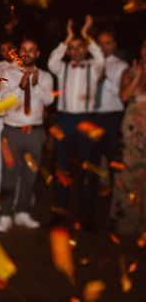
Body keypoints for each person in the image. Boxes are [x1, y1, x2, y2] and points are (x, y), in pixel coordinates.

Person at [48, 16, 104, 229]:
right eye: (73, 48)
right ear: (69, 51)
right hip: (65, 119)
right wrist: (68, 37)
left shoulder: (94, 66)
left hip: (87, 120)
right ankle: (60, 213)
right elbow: (52, 61)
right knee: (61, 166)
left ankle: (87, 215)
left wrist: (87, 34)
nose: (77, 50)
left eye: (81, 47)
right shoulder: (62, 67)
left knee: (88, 167)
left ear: (86, 49)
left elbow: (99, 56)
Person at [0, 39, 54, 233]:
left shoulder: (45, 76)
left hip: (35, 133)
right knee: (9, 174)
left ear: (37, 54)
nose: (27, 53)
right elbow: (3, 100)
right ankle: (5, 214)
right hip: (11, 132)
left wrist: (35, 85)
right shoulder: (7, 73)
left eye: (31, 50)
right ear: (19, 52)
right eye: (24, 49)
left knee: (30, 175)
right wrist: (20, 86)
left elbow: (49, 99)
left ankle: (22, 212)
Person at [110, 38, 146, 236]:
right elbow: (123, 97)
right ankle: (126, 224)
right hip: (132, 132)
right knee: (128, 175)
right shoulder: (129, 71)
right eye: (145, 47)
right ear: (141, 50)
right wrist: (137, 77)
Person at [94, 29, 128, 186]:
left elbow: (123, 94)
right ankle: (89, 203)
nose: (103, 47)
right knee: (92, 160)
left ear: (113, 45)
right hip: (93, 116)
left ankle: (116, 198)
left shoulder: (121, 66)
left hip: (112, 118)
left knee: (113, 159)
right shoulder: (91, 64)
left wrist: (104, 80)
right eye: (100, 43)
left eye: (107, 43)